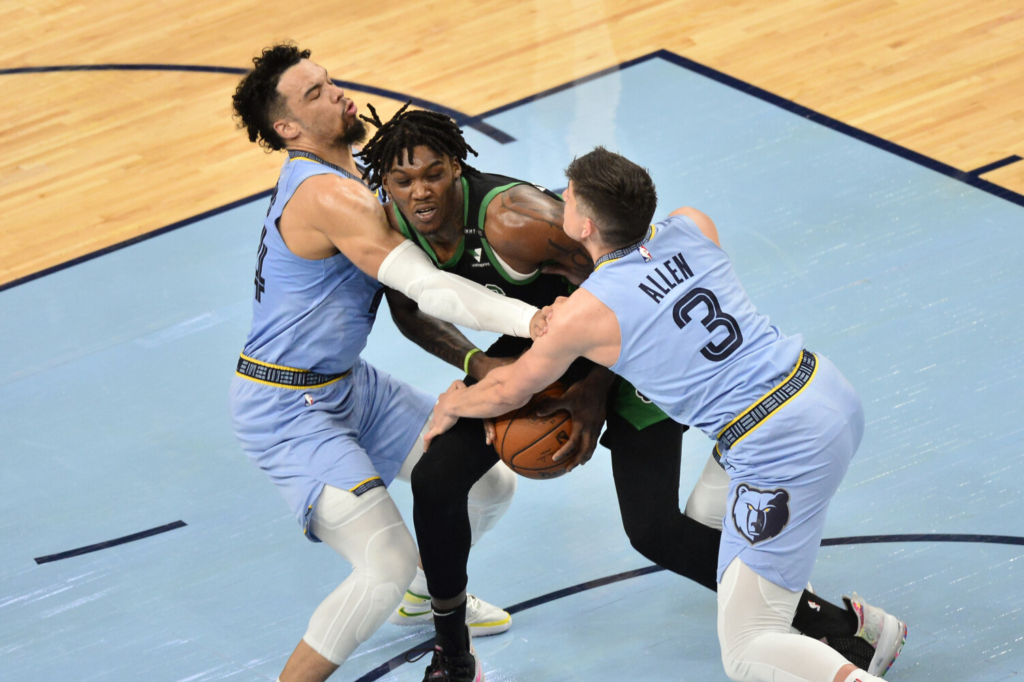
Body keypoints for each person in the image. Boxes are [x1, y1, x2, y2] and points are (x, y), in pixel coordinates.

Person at [356, 110, 906, 680]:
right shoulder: (690, 225)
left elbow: (550, 358)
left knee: (677, 558)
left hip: (705, 402)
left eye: (433, 173)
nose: (420, 190)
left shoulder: (531, 234)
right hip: (803, 386)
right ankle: (451, 651)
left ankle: (832, 629)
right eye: (403, 179)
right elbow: (423, 315)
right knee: (443, 477)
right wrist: (479, 363)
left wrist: (564, 395)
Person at [227, 45, 546, 682]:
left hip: (350, 385)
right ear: (288, 128)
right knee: (384, 564)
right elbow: (429, 289)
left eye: (329, 81)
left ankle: (426, 596)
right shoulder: (326, 196)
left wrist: (475, 357)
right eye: (315, 94)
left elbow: (409, 309)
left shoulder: (363, 176)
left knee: (488, 484)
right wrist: (533, 323)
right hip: (288, 408)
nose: (338, 93)